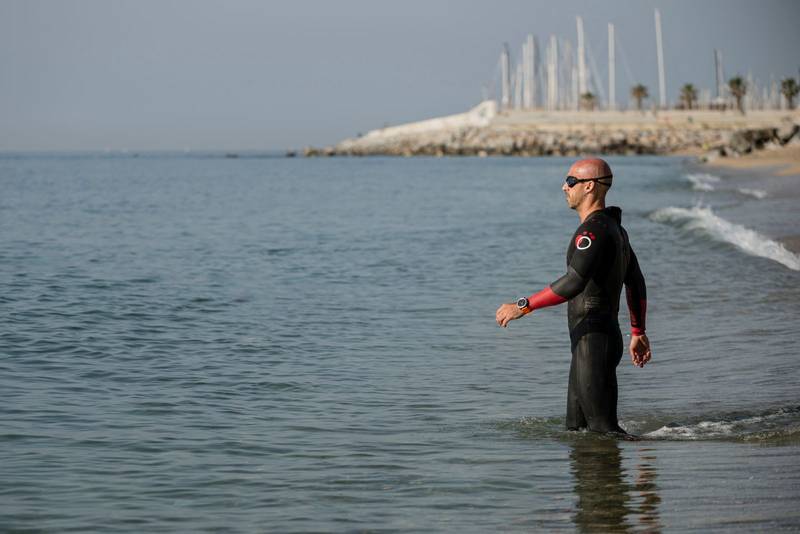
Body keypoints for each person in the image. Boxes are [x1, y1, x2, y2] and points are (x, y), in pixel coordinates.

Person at [495, 158, 651, 434]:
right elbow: (635, 282)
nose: (564, 187)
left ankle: (646, 469)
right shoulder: (614, 229)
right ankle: (607, 474)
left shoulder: (593, 231)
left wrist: (524, 305)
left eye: (570, 181)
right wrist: (637, 331)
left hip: (594, 339)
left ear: (589, 186)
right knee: (577, 431)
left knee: (603, 433)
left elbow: (574, 282)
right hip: (591, 339)